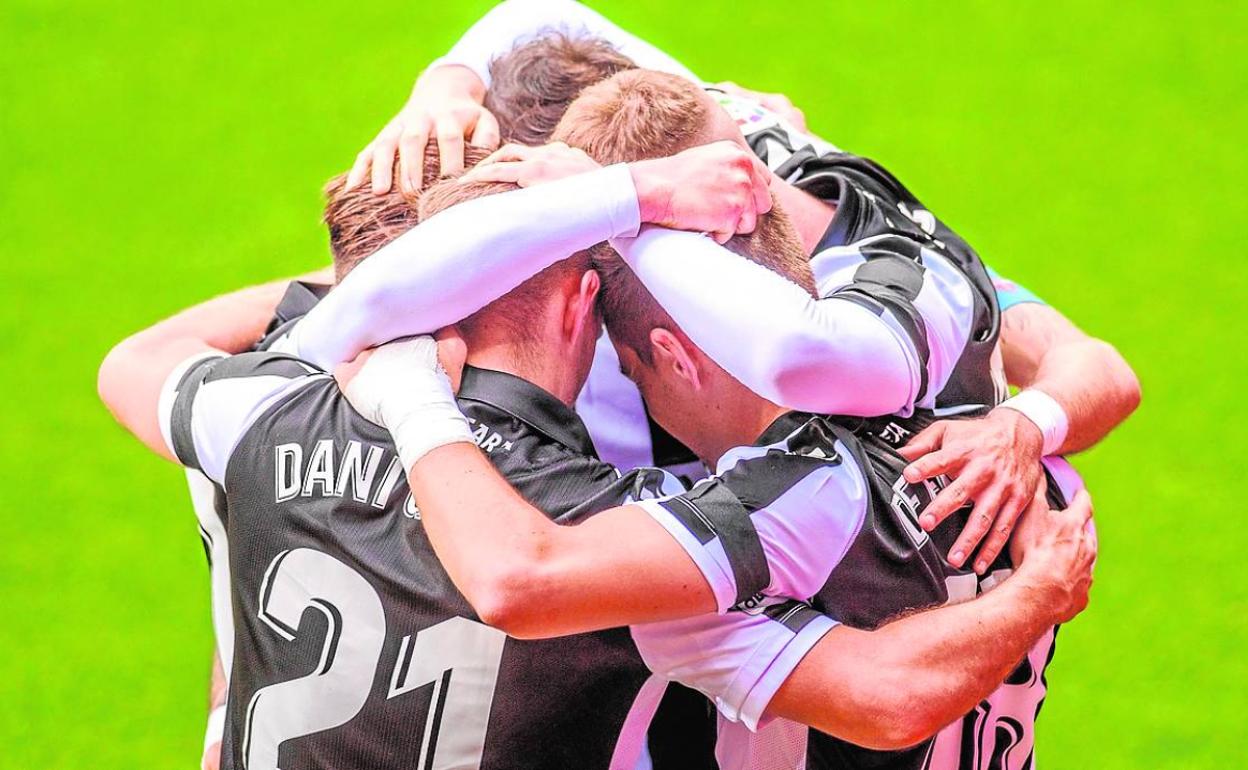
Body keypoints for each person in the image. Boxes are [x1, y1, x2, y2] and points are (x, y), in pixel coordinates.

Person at [348, 0, 1139, 560]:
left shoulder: (870, 259)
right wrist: (446, 84)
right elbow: (535, 10)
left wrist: (1024, 424)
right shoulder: (665, 127)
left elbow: (1091, 366)